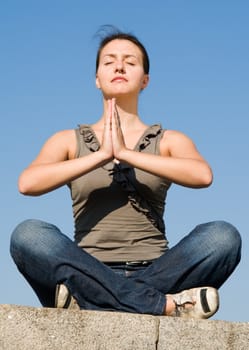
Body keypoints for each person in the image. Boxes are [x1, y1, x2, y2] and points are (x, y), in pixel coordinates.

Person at [10, 26, 241, 319]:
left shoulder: (169, 140)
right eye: (109, 61)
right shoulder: (68, 140)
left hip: (159, 269)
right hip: (85, 266)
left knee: (223, 236)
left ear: (145, 80)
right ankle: (161, 305)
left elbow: (202, 175)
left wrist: (126, 154)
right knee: (27, 234)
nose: (119, 65)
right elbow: (27, 183)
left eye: (130, 61)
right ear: (97, 79)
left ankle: (95, 301)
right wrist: (102, 156)